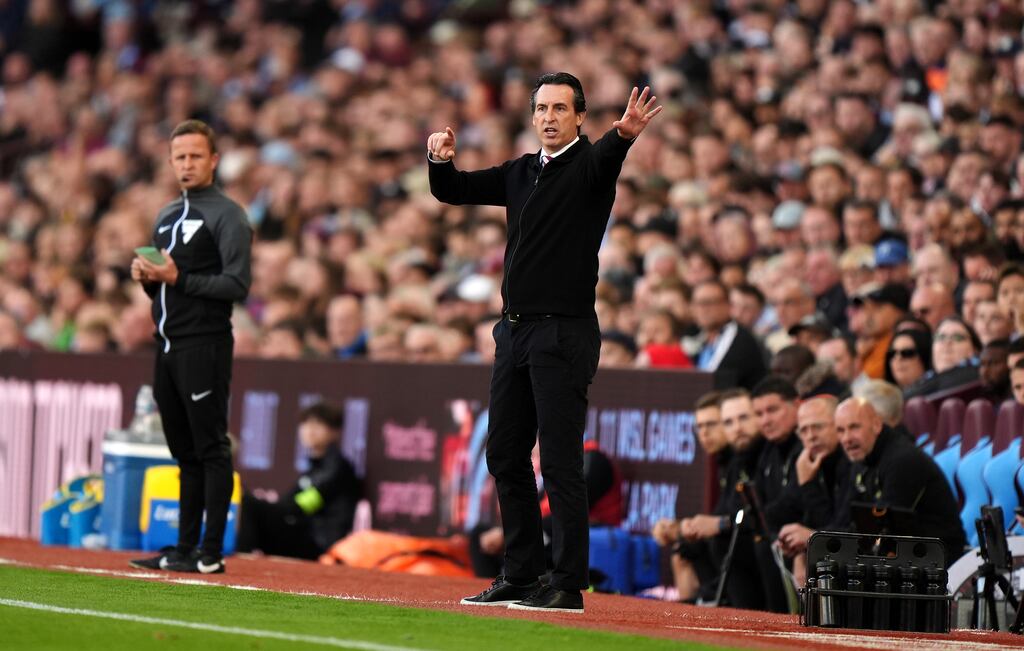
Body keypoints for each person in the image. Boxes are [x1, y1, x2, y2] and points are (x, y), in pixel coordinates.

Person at [428, 72, 662, 613]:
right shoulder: (520, 172)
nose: (549, 117)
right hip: (513, 331)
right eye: (541, 109)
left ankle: (567, 583)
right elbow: (453, 191)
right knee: (505, 454)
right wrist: (440, 160)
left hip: (562, 332)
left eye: (560, 108)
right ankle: (521, 573)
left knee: (558, 461)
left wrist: (623, 134)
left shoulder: (589, 165)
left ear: (580, 116)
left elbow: (607, 157)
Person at [129, 120, 253, 574]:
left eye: (196, 156)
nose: (187, 164)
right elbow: (166, 292)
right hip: (166, 344)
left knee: (210, 447)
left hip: (205, 343)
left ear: (214, 160)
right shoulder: (165, 215)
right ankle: (183, 548)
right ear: (170, 161)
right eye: (180, 157)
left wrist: (177, 277)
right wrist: (148, 281)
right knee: (183, 451)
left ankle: (211, 551)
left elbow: (237, 284)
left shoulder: (228, 215)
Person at [834, 397, 967, 565]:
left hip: (941, 562)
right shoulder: (861, 461)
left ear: (876, 425)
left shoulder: (902, 460)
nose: (846, 438)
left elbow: (880, 528)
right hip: (905, 557)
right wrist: (814, 536)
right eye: (840, 430)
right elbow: (845, 521)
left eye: (854, 427)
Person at [236, 402, 362, 559]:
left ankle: (243, 562)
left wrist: (262, 506)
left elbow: (300, 506)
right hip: (302, 532)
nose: (310, 431)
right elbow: (288, 502)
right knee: (247, 503)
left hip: (319, 543)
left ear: (335, 432)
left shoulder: (337, 468)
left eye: (318, 425)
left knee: (249, 504)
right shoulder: (314, 468)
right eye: (306, 424)